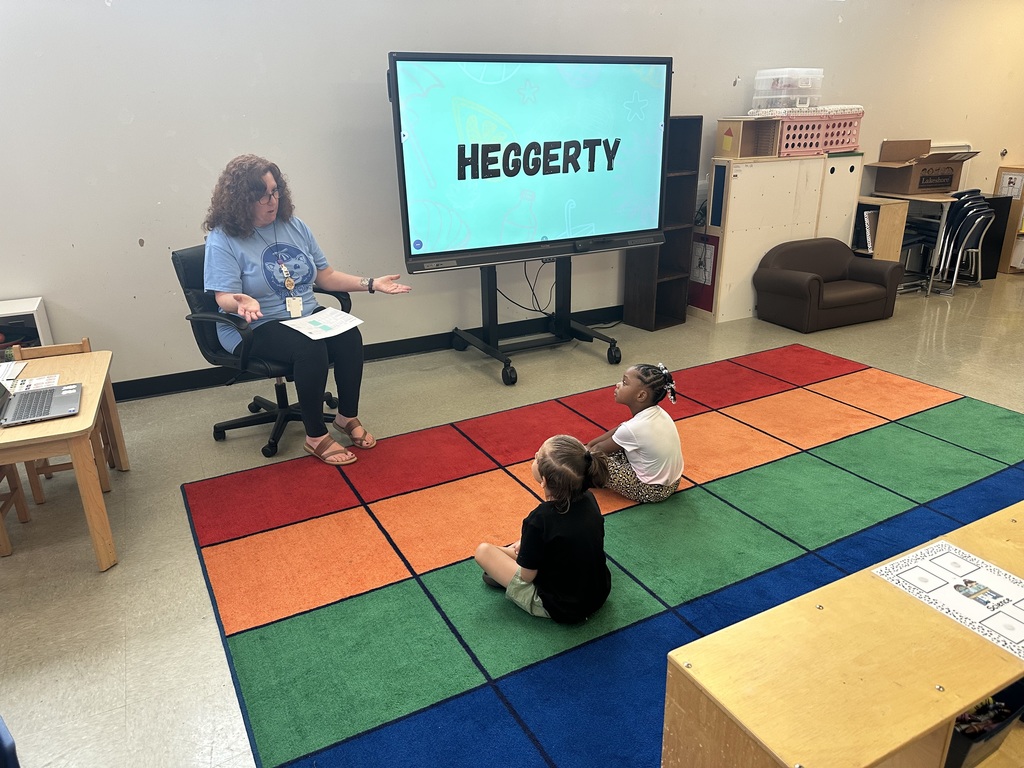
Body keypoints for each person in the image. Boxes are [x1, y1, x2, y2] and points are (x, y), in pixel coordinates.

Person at [202, 154, 411, 466]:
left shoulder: (294, 227)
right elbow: (224, 297)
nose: (271, 201)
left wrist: (371, 283)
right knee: (309, 348)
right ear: (240, 200)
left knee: (349, 335)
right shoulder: (223, 238)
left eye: (275, 192)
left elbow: (325, 276)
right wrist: (239, 301)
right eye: (261, 195)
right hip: (255, 324)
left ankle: (344, 417)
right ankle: (315, 437)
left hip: (303, 313)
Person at [474, 435, 611, 623]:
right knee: (522, 546)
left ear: (544, 481)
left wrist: (525, 554)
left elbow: (527, 576)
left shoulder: (539, 519)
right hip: (598, 592)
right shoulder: (589, 499)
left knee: (483, 551)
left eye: (537, 457)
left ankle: (507, 561)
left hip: (561, 606)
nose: (535, 454)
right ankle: (517, 553)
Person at [586, 362, 683, 503]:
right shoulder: (658, 413)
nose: (618, 384)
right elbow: (621, 429)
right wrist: (591, 445)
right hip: (673, 483)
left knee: (592, 462)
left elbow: (595, 451)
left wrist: (587, 449)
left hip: (650, 491)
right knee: (615, 449)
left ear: (641, 396)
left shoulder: (633, 428)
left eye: (625, 383)